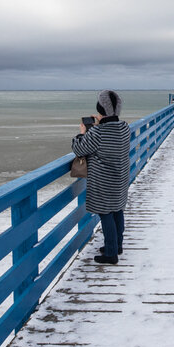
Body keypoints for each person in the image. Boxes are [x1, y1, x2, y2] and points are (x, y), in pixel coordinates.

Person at [71, 90, 131, 264]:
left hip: (103, 180)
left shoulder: (97, 133)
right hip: (119, 176)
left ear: (100, 110)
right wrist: (101, 122)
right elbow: (109, 134)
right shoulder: (124, 127)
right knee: (117, 210)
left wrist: (82, 133)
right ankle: (117, 245)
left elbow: (79, 149)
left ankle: (111, 253)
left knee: (105, 213)